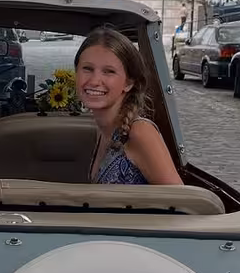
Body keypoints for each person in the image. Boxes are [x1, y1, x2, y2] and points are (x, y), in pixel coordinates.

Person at [75, 27, 183, 186]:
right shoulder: (103, 130)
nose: (94, 80)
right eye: (87, 69)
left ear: (129, 83)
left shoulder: (140, 133)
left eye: (109, 71)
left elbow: (183, 203)